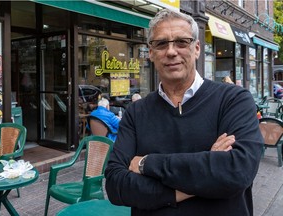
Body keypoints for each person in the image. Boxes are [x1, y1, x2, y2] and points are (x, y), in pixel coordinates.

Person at [105, 9, 263, 216]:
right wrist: (206, 171)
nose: (171, 51)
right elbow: (116, 187)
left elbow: (236, 171)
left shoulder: (233, 100)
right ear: (151, 53)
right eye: (161, 43)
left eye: (181, 42)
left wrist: (146, 163)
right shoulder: (136, 112)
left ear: (196, 48)